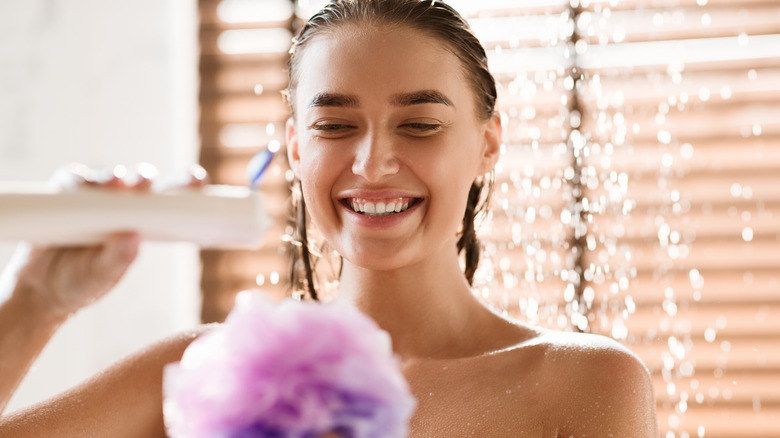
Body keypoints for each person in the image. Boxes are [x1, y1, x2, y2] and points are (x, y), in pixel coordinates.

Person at [0, 0, 658, 436]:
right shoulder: (202, 370)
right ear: (295, 149)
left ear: (487, 143)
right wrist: (34, 303)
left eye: (420, 124)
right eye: (336, 125)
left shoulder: (581, 383)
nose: (373, 163)